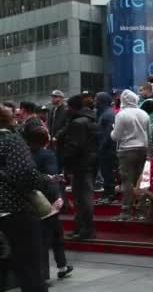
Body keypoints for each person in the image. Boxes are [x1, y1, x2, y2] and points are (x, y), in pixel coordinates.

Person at [0, 106, 50, 292]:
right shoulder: (11, 140)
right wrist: (45, 181)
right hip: (15, 211)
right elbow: (25, 174)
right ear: (8, 120)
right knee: (29, 268)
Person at [24, 126, 73, 282]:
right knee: (50, 236)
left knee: (48, 236)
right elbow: (53, 178)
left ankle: (61, 266)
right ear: (46, 140)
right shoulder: (47, 155)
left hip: (30, 198)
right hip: (47, 201)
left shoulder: (24, 155)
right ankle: (46, 273)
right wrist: (59, 197)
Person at [111, 90, 151, 221]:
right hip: (143, 149)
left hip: (126, 150)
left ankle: (126, 211)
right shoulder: (144, 114)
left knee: (127, 181)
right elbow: (149, 135)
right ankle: (142, 211)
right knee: (142, 181)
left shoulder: (121, 115)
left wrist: (112, 129)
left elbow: (115, 136)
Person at [62, 95, 97, 240]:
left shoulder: (78, 123)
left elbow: (75, 146)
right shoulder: (91, 120)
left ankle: (86, 229)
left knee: (82, 198)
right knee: (82, 197)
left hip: (80, 164)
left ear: (72, 107)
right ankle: (80, 227)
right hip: (91, 162)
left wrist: (65, 161)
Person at [95, 92, 117, 205]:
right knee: (105, 173)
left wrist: (101, 147)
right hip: (104, 148)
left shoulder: (108, 114)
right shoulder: (103, 113)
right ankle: (107, 193)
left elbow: (108, 134)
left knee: (108, 173)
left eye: (97, 99)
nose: (95, 101)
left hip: (107, 149)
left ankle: (110, 195)